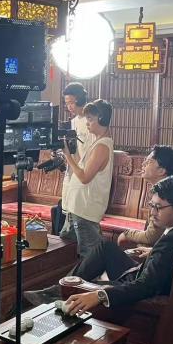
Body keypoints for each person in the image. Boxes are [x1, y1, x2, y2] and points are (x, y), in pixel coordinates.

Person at [64, 175, 173, 316]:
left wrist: (100, 295)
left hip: (136, 292)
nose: (152, 212)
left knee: (81, 289)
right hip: (143, 273)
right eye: (152, 205)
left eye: (158, 207)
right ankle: (64, 286)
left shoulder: (171, 242)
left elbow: (146, 286)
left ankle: (62, 294)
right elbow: (169, 259)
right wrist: (153, 252)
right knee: (106, 248)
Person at [60, 99, 114, 260]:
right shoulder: (96, 142)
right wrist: (70, 153)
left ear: (102, 119)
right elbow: (81, 168)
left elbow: (84, 177)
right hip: (77, 206)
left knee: (90, 258)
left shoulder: (102, 146)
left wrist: (68, 156)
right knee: (64, 251)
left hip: (85, 210)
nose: (87, 123)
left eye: (90, 118)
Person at [117, 145, 173, 254]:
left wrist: (127, 234)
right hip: (160, 248)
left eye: (148, 162)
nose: (143, 164)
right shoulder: (168, 189)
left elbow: (150, 237)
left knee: (111, 246)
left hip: (165, 253)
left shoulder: (165, 196)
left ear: (161, 170)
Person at [55, 83, 95, 234]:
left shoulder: (91, 122)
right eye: (67, 103)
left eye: (71, 102)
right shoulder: (72, 122)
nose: (69, 107)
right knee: (68, 217)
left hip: (85, 172)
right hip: (71, 172)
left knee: (79, 222)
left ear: (80, 99)